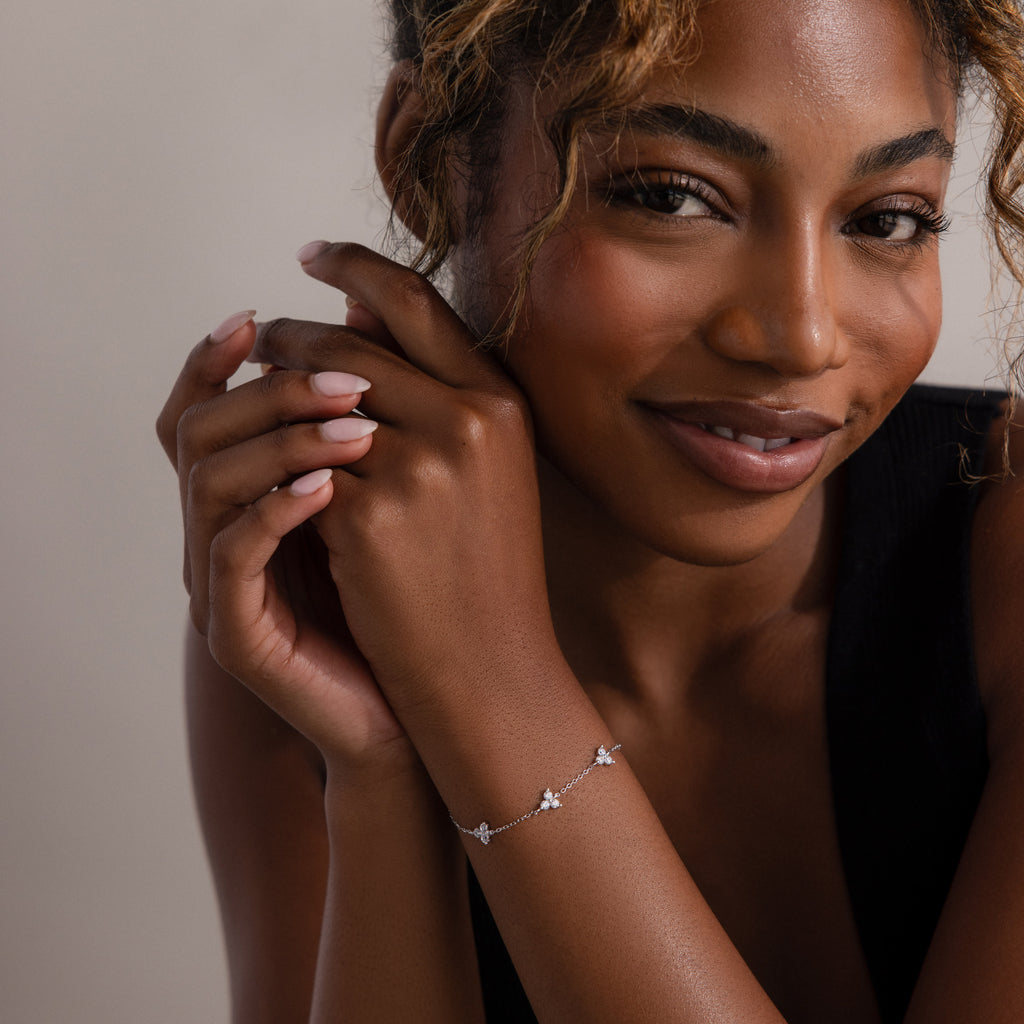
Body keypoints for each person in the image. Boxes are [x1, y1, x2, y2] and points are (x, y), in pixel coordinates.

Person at [156, 0, 1024, 1020]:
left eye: (886, 219)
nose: (799, 335)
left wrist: (495, 692)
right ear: (425, 159)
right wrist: (382, 772)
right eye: (671, 196)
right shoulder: (322, 588)